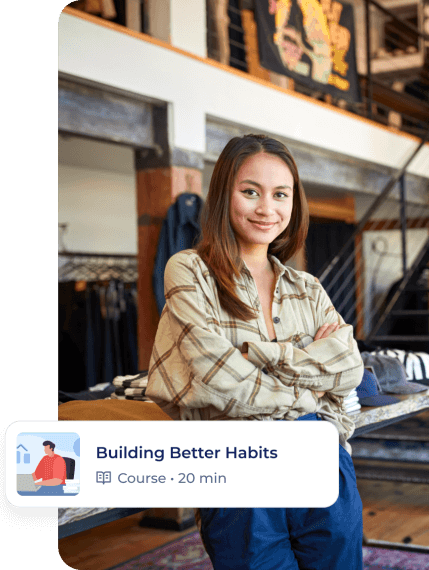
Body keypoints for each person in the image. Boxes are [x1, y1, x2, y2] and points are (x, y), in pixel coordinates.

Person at [145, 134, 364, 570]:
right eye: (250, 192)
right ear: (223, 195)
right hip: (238, 463)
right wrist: (308, 391)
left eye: (280, 194)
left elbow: (349, 370)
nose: (267, 208)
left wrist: (259, 357)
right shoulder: (189, 271)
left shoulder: (309, 287)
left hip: (318, 455)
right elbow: (216, 378)